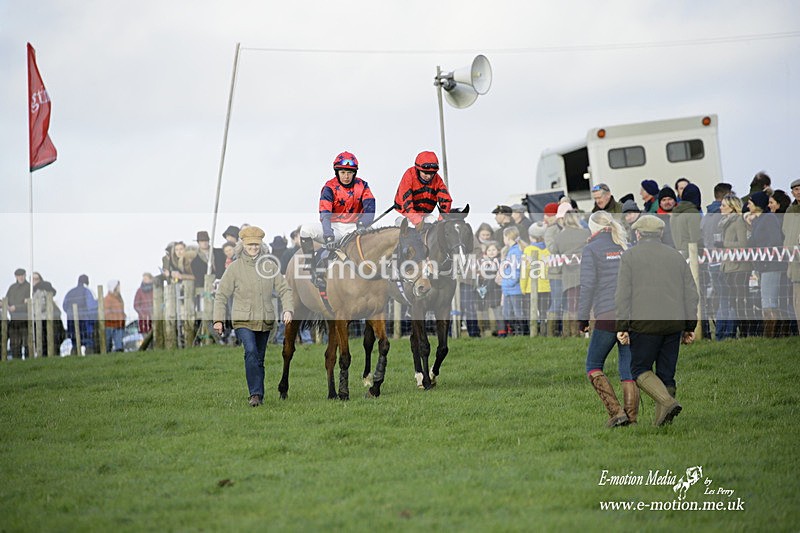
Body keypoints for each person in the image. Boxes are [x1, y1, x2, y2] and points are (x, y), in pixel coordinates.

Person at [615, 215, 698, 426]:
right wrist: (690, 325)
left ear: (638, 233)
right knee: (666, 372)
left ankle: (667, 402)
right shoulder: (676, 256)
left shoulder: (630, 256)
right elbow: (691, 293)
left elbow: (623, 294)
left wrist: (622, 326)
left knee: (639, 369)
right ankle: (662, 424)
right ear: (661, 233)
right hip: (673, 323)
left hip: (644, 324)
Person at [213, 226, 294, 407]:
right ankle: (255, 394)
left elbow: (284, 289)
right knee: (250, 351)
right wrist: (218, 319)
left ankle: (259, 394)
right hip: (242, 320)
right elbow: (221, 295)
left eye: (256, 245)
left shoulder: (270, 265)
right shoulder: (234, 268)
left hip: (265, 320)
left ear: (261, 245)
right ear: (243, 245)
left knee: (259, 358)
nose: (253, 248)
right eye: (250, 245)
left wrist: (288, 309)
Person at [579, 211, 635, 427]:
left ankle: (616, 412)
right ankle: (632, 418)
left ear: (592, 228)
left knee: (593, 364)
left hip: (607, 314)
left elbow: (588, 285)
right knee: (627, 367)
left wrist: (582, 318)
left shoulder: (591, 249)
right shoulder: (623, 245)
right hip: (631, 313)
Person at [299, 151, 376, 287]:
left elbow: (370, 208)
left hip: (356, 228)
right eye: (343, 172)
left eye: (349, 173)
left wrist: (362, 224)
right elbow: (325, 214)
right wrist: (328, 236)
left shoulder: (363, 185)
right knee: (305, 230)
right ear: (337, 172)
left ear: (354, 173)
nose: (346, 176)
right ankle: (311, 267)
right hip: (334, 229)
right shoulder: (329, 187)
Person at [746, 191, 785, 337]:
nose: (748, 205)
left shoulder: (768, 219)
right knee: (767, 301)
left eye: (750, 203)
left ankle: (771, 335)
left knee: (769, 302)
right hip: (763, 267)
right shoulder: (759, 220)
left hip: (771, 266)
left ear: (757, 204)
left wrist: (764, 260)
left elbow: (774, 241)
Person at [551, 208, 590, 337]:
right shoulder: (586, 233)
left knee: (573, 306)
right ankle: (591, 332)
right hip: (587, 273)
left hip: (569, 276)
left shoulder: (558, 237)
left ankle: (575, 333)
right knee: (590, 303)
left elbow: (555, 256)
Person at [716, 195, 749, 339]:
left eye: (723, 205)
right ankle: (735, 331)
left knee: (739, 300)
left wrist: (724, 244)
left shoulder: (738, 221)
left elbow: (743, 244)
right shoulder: (725, 222)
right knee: (732, 301)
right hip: (728, 265)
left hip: (739, 266)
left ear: (732, 207)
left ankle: (744, 332)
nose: (720, 207)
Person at [394, 151, 452, 230]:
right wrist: (418, 221)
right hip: (405, 215)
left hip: (425, 215)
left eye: (432, 173)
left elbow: (446, 200)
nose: (429, 176)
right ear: (418, 169)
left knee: (437, 228)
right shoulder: (409, 176)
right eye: (426, 173)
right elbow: (407, 205)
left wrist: (442, 220)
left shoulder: (437, 179)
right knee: (410, 228)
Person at [496, 226, 525, 336]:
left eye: (504, 237)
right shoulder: (510, 250)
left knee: (518, 313)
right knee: (507, 313)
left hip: (514, 288)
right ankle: (513, 333)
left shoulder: (516, 252)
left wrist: (507, 283)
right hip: (508, 288)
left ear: (508, 237)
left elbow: (516, 271)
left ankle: (521, 333)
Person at [31, 272, 65, 357]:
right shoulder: (46, 290)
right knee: (53, 341)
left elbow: (40, 306)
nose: (34, 281)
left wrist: (31, 307)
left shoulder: (39, 291)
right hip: (53, 319)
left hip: (43, 319)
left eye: (36, 279)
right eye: (32, 279)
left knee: (45, 342)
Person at [63, 274, 97, 354]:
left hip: (71, 320)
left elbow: (64, 306)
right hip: (84, 320)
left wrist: (70, 313)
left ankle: (74, 355)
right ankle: (89, 356)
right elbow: (91, 306)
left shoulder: (70, 292)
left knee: (74, 341)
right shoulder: (87, 291)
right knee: (88, 341)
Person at [671, 182, 703, 255]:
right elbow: (696, 238)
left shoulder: (675, 213)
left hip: (679, 253)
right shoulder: (693, 213)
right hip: (692, 255)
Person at [5, 268, 30, 359]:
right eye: (19, 276)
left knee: (27, 342)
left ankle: (28, 361)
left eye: (22, 275)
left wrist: (17, 307)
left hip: (25, 319)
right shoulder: (12, 288)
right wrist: (5, 305)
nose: (21, 277)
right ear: (16, 276)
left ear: (25, 275)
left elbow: (29, 303)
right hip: (14, 319)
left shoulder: (29, 287)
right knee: (14, 342)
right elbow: (7, 299)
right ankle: (16, 361)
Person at [104, 280, 126, 352]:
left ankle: (119, 357)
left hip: (119, 324)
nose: (119, 288)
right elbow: (106, 313)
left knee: (119, 345)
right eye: (118, 287)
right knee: (108, 344)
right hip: (110, 325)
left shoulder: (119, 298)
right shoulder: (107, 299)